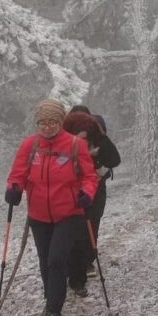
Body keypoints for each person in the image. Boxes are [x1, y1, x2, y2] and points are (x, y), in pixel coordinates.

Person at [5, 99, 98, 316]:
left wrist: (87, 193)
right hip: (38, 216)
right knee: (46, 262)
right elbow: (18, 174)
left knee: (57, 260)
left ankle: (53, 315)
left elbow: (89, 176)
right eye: (42, 122)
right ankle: (51, 302)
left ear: (61, 122)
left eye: (53, 122)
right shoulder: (30, 145)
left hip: (69, 213)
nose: (47, 127)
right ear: (37, 123)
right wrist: (14, 189)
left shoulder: (75, 145)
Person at [61, 109, 121, 297]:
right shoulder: (65, 138)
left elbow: (114, 159)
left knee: (91, 224)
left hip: (95, 188)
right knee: (75, 231)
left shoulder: (97, 134)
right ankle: (77, 269)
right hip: (70, 191)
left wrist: (100, 141)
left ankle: (86, 262)